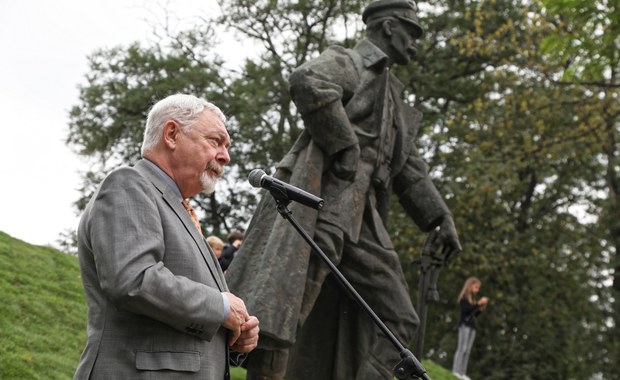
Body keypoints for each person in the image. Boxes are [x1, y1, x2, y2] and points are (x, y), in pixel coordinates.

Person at [225, 1, 462, 379]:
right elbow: (307, 80)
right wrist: (346, 146)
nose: (416, 44)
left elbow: (409, 168)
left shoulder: (393, 95)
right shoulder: (352, 62)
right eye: (412, 32)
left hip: (365, 218)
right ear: (388, 27)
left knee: (399, 316)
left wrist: (440, 218)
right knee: (288, 307)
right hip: (325, 204)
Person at [74, 93, 259, 380]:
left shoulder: (182, 211)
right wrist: (221, 307)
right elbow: (133, 279)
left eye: (227, 146)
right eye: (216, 141)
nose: (226, 156)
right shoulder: (129, 185)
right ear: (171, 134)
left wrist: (235, 334)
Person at [452, 277, 489, 380]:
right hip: (464, 326)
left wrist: (480, 308)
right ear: (470, 286)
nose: (477, 290)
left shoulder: (472, 300)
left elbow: (473, 314)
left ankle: (462, 372)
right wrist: (478, 304)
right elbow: (466, 310)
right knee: (462, 348)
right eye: (476, 287)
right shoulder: (464, 298)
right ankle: (456, 370)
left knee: (467, 350)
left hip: (472, 327)